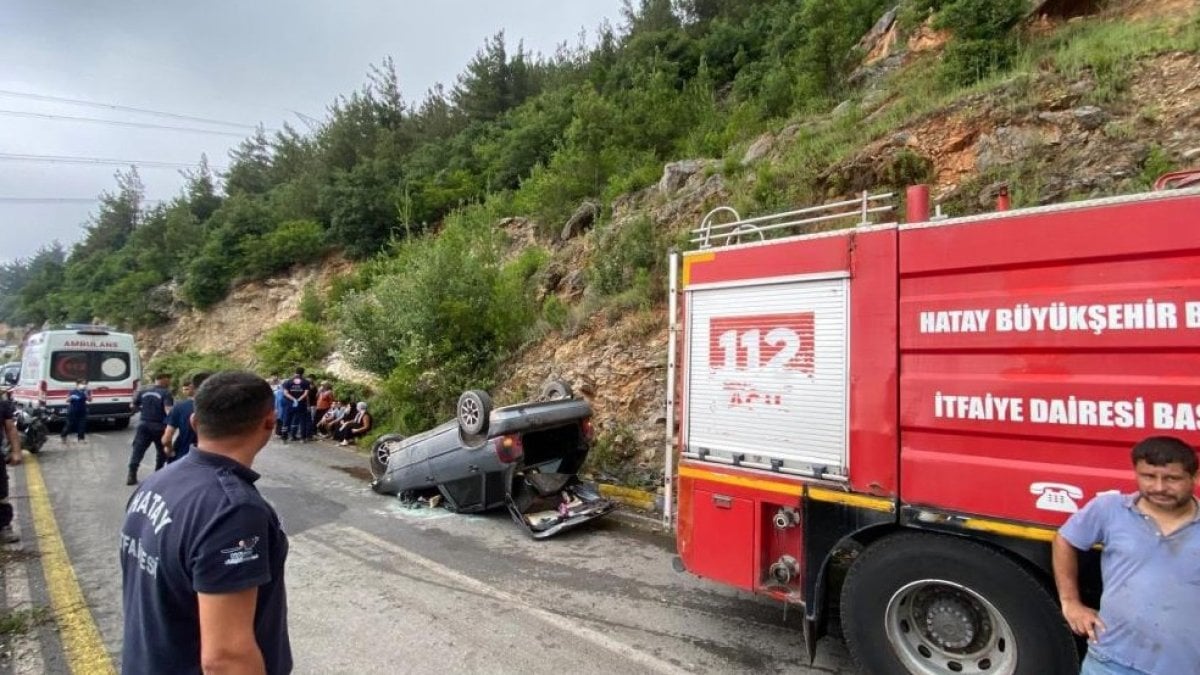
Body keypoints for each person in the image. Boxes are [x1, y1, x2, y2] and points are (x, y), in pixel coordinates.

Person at [120, 370, 292, 674]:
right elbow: (226, 657)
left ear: (194, 422)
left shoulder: (157, 483)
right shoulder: (233, 511)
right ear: (270, 422)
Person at [1052, 435, 1200, 675]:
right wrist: (1070, 603)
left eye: (1172, 478)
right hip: (1110, 661)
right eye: (1149, 477)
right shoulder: (1109, 509)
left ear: (1194, 477)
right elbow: (1065, 540)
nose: (1159, 487)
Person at [126, 373, 174, 486]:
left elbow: (132, 406)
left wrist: (142, 410)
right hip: (159, 426)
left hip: (143, 425)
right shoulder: (166, 393)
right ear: (162, 380)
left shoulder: (143, 391)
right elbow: (168, 411)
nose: (169, 382)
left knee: (138, 450)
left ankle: (131, 475)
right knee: (161, 452)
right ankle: (158, 476)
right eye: (168, 380)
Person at [162, 372, 211, 464]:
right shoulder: (222, 409)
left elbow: (166, 439)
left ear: (193, 387)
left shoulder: (180, 407)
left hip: (183, 457)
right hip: (212, 461)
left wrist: (169, 450)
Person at [0, 386, 23, 544]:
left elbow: (10, 429)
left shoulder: (2, 405)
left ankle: (4, 526)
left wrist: (16, 451)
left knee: (1, 494)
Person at [281, 368, 312, 442]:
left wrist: (293, 399)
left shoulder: (288, 382)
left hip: (289, 404)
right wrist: (298, 399)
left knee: (287, 420)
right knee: (302, 420)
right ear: (303, 373)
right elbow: (306, 393)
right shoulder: (306, 382)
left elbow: (285, 393)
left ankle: (284, 437)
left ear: (295, 372)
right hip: (301, 404)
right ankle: (302, 438)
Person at [62, 379, 91, 443]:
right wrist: (71, 397)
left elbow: (90, 400)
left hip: (82, 409)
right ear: (78, 384)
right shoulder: (73, 391)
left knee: (82, 425)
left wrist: (86, 394)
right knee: (69, 424)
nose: (84, 385)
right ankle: (64, 436)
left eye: (85, 384)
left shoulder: (87, 391)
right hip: (73, 410)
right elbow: (67, 400)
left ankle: (81, 439)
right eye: (83, 384)